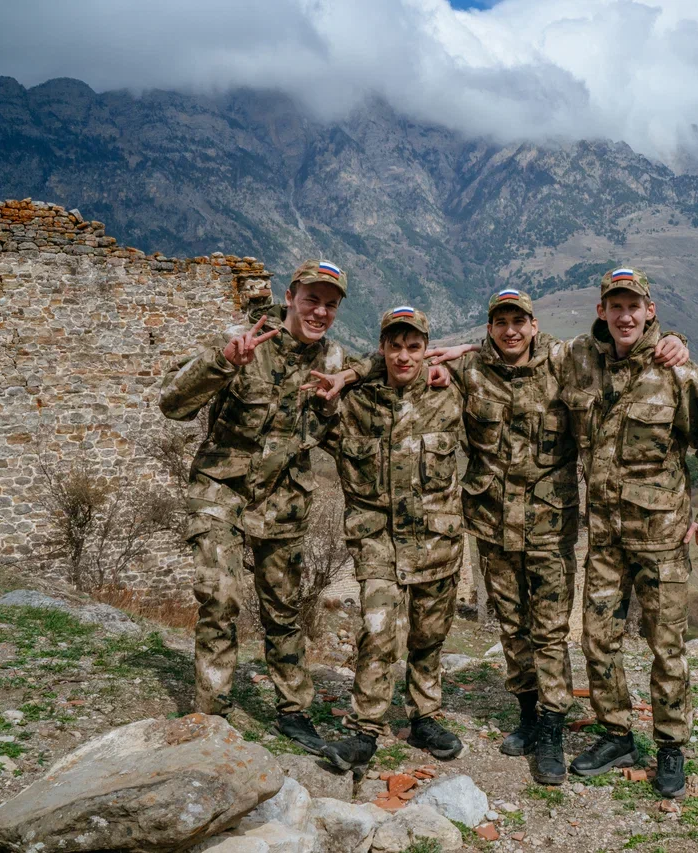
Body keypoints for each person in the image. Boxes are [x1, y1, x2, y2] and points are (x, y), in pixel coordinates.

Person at [426, 289, 688, 784]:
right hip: (491, 523)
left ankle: (552, 727)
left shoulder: (564, 361)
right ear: (488, 327)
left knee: (548, 630)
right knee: (510, 624)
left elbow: (620, 351)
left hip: (550, 524)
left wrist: (675, 339)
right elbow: (409, 368)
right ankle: (527, 716)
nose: (510, 330)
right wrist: (455, 351)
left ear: (533, 323)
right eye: (500, 321)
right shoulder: (472, 370)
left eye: (518, 321)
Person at [559, 267, 698, 799]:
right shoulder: (582, 363)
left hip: (661, 539)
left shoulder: (679, 375)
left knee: (666, 647)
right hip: (606, 540)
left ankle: (670, 747)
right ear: (602, 312)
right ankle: (615, 733)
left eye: (633, 306)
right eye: (614, 306)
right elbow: (518, 348)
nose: (624, 315)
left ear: (650, 310)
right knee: (597, 639)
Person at [159, 259, 348, 755]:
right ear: (290, 295)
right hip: (222, 490)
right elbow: (172, 404)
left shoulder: (332, 360)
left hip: (284, 501)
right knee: (219, 597)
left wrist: (336, 403)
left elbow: (333, 431)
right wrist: (222, 362)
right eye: (312, 299)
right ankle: (212, 714)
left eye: (330, 305)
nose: (319, 311)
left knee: (283, 608)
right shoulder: (242, 339)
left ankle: (294, 710)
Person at [321, 305, 467, 770]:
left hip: (436, 539)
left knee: (428, 637)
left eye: (414, 347)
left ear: (427, 349)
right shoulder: (356, 401)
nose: (404, 356)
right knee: (378, 631)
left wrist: (464, 353)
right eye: (394, 346)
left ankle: (425, 717)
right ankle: (366, 729)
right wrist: (349, 376)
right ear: (381, 347)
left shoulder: (452, 395)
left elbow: (514, 363)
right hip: (378, 538)